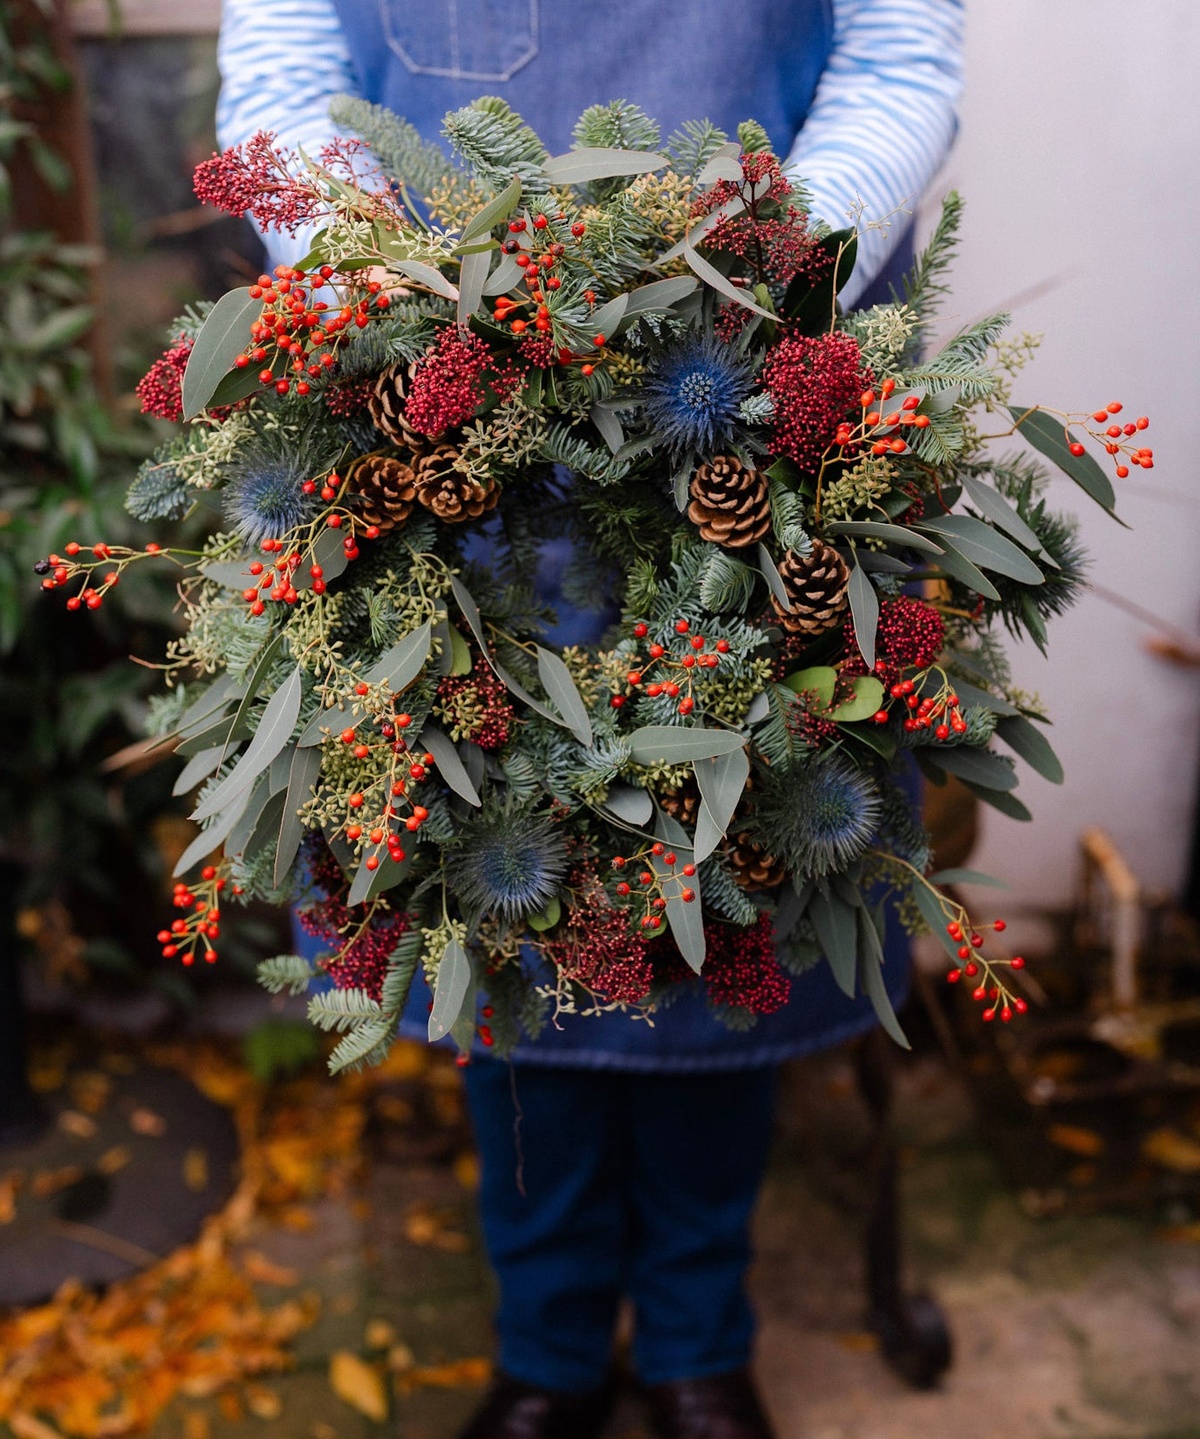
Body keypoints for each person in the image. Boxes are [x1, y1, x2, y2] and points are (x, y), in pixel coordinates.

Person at [216, 5, 964, 1435]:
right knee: (492, 879)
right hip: (442, 420)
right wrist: (378, 293)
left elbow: (901, 51)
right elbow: (285, 68)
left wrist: (767, 287)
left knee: (728, 874)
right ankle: (548, 1345)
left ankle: (697, 1338)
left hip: (752, 408)